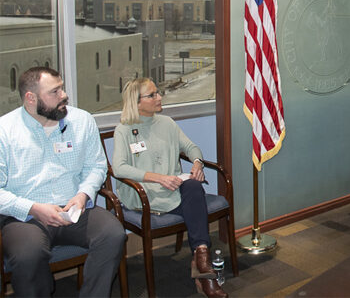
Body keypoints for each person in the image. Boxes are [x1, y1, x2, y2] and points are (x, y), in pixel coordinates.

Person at [0, 67, 126, 297]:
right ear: (31, 98)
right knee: (29, 254)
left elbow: (96, 166)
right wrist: (33, 208)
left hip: (74, 208)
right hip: (26, 215)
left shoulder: (81, 120)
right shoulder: (5, 131)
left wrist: (83, 195)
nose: (64, 96)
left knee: (113, 234)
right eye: (55, 92)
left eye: (62, 88)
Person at [112, 78, 227, 298]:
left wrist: (197, 164)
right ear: (136, 103)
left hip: (173, 188)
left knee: (194, 186)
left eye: (158, 93)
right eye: (152, 95)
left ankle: (202, 262)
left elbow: (191, 147)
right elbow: (119, 168)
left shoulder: (167, 123)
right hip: (144, 194)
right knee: (195, 203)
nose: (159, 97)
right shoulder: (124, 130)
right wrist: (158, 178)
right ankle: (204, 268)